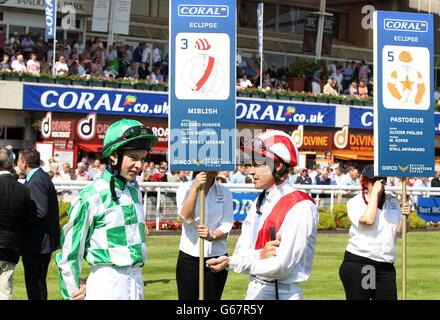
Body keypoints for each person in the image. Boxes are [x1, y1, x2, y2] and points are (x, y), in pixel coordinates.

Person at [206, 130, 319, 300]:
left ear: (278, 165)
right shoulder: (259, 201)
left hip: (283, 292)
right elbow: (241, 251)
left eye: (258, 164)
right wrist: (259, 254)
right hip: (254, 288)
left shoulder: (301, 206)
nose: (250, 171)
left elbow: (281, 266)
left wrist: (231, 262)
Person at [56, 119, 158, 300]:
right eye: (134, 158)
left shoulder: (134, 189)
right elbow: (69, 252)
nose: (140, 166)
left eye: (142, 159)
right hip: (108, 287)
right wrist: (72, 291)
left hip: (136, 281)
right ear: (113, 156)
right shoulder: (90, 196)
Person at [339, 164, 410, 300]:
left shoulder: (392, 202)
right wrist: (375, 195)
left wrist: (405, 217)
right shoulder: (356, 202)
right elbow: (368, 219)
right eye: (375, 180)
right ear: (365, 182)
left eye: (382, 180)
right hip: (362, 263)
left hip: (385, 265)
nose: (379, 184)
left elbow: (400, 231)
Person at [175, 171, 234, 300]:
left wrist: (211, 236)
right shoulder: (185, 188)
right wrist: (195, 188)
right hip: (189, 256)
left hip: (217, 257)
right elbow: (186, 217)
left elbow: (227, 225)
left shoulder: (225, 192)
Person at [17, 148, 60, 300]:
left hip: (37, 244)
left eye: (19, 161)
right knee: (38, 285)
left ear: (24, 163)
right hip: (40, 243)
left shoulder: (37, 180)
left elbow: (39, 212)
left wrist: (20, 224)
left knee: (35, 286)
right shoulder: (40, 177)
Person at [0, 148, 33, 300]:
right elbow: (28, 220)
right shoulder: (23, 190)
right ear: (11, 164)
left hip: (9, 244)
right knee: (5, 290)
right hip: (11, 246)